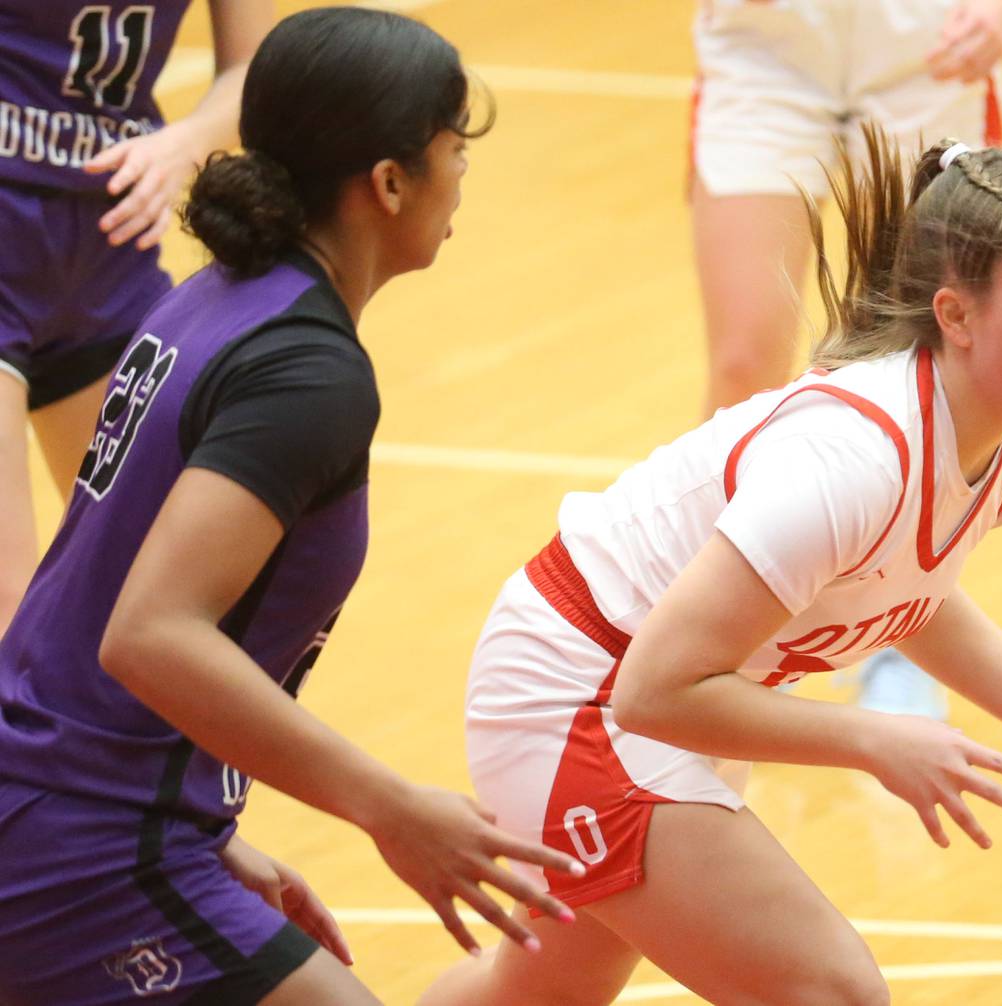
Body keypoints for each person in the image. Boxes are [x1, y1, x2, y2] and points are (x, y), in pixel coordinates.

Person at [420, 124, 1002, 1005]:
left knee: (534, 994)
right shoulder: (852, 460)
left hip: (677, 689)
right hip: (581, 691)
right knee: (831, 993)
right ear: (957, 315)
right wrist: (872, 739)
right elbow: (651, 691)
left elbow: (905, 593)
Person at [0, 9, 584, 1004]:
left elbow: (84, 599)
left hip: (74, 809)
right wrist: (391, 807)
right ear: (390, 182)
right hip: (84, 847)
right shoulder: (306, 372)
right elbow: (148, 634)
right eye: (456, 150)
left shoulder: (210, 298)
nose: (461, 178)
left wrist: (201, 826)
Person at [691, 0, 1002, 718]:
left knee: (926, 367)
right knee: (744, 363)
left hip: (925, 45)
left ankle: (893, 645)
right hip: (768, 44)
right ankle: (699, 640)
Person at [0, 0, 274, 637]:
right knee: (10, 606)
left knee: (161, 598)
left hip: (109, 248)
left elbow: (254, 66)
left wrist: (189, 140)